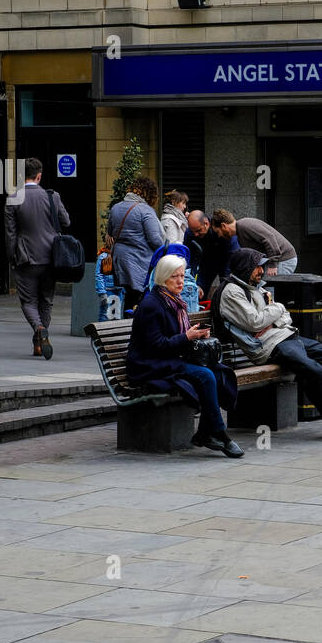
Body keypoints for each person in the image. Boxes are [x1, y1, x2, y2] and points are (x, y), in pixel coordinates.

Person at [215, 247, 322, 439]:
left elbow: (285, 319)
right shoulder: (232, 292)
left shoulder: (257, 288)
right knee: (314, 370)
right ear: (245, 267)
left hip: (288, 337)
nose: (262, 271)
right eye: (257, 267)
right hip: (269, 347)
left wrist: (271, 316)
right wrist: (276, 308)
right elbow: (254, 322)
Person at [125, 254, 242, 458]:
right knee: (205, 376)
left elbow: (175, 338)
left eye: (182, 276)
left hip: (169, 358)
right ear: (162, 278)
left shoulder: (174, 301)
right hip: (149, 364)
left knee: (219, 371)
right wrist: (187, 337)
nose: (181, 281)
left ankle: (206, 432)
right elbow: (155, 346)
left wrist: (195, 335)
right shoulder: (152, 305)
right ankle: (219, 433)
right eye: (174, 277)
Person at [4, 157, 70, 359]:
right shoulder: (53, 196)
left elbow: (10, 233)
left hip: (26, 258)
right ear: (39, 176)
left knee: (28, 301)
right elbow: (66, 221)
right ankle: (39, 343)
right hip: (51, 257)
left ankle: (39, 329)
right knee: (46, 301)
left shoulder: (13, 198)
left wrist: (12, 257)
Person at [107, 176, 164, 313]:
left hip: (118, 260)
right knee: (139, 298)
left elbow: (110, 232)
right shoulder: (145, 211)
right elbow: (155, 240)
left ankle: (124, 326)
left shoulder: (115, 208)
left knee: (125, 297)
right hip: (139, 261)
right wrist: (167, 250)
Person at [211, 210, 297, 275]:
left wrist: (272, 264)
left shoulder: (245, 225)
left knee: (269, 293)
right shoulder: (239, 232)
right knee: (264, 291)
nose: (219, 236)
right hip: (278, 260)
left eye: (218, 232)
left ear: (223, 226)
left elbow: (269, 238)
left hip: (283, 259)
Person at [186, 209, 240, 296]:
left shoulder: (221, 230)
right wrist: (191, 279)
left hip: (226, 259)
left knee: (226, 287)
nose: (196, 234)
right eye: (193, 231)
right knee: (199, 289)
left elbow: (232, 255)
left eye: (198, 231)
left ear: (206, 224)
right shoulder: (190, 233)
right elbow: (188, 256)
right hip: (206, 262)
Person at [95, 244, 124, 321]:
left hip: (119, 290)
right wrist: (102, 293)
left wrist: (123, 290)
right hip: (108, 290)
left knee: (116, 316)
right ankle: (102, 332)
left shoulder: (120, 255)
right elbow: (99, 275)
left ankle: (113, 332)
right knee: (105, 315)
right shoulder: (103, 256)